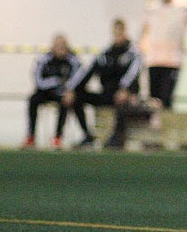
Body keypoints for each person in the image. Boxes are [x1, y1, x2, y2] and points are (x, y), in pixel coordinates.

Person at [62, 18, 155, 149]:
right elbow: (87, 72)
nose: (118, 36)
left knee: (122, 101)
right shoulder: (105, 53)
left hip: (125, 96)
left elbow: (132, 74)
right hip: (107, 94)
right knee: (77, 96)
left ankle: (117, 137)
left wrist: (124, 89)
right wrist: (71, 89)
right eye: (115, 32)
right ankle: (88, 135)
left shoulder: (133, 53)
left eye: (120, 32)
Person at [23, 33, 80, 148]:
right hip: (45, 91)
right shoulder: (44, 59)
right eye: (58, 45)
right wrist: (55, 81)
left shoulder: (73, 60)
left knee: (65, 101)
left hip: (62, 93)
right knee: (33, 99)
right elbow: (38, 81)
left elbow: (78, 77)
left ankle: (58, 137)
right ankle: (31, 137)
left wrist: (68, 90)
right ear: (53, 46)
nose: (61, 49)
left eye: (63, 46)